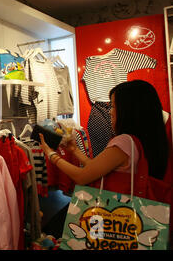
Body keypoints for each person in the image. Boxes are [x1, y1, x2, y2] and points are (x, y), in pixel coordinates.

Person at [39, 80, 170, 191]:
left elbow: (82, 177)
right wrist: (74, 150)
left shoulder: (124, 142)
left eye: (113, 106)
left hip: (116, 212)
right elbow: (96, 168)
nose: (110, 112)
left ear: (128, 110)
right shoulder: (145, 140)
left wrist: (50, 154)